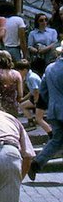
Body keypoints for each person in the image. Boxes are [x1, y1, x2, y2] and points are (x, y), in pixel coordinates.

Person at [30, 52, 63, 180]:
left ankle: (37, 162)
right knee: (56, 139)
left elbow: (43, 91)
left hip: (54, 110)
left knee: (56, 140)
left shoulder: (49, 68)